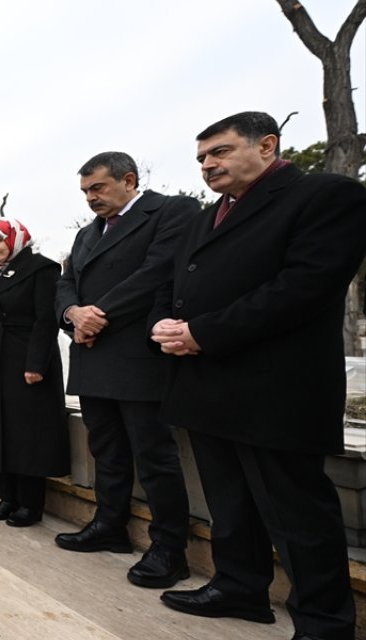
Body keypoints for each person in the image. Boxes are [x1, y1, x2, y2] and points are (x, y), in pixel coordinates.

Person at [151, 112, 366, 640]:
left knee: (296, 514)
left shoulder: (325, 196)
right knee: (229, 503)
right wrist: (165, 322)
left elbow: (303, 288)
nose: (208, 165)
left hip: (275, 389)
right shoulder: (209, 216)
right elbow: (178, 280)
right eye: (202, 157)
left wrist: (205, 332)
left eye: (219, 152)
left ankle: (324, 622)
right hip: (206, 384)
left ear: (267, 145)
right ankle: (240, 587)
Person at [55, 151, 195, 589]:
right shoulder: (86, 235)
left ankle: (170, 548)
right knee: (107, 451)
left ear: (128, 179)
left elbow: (157, 272)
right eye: (85, 192)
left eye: (98, 188)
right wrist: (74, 314)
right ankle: (109, 525)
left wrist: (99, 314)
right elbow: (65, 281)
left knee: (154, 456)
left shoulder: (170, 211)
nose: (91, 199)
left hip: (138, 354)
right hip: (91, 352)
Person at [0, 218, 69, 528]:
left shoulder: (41, 269)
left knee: (26, 431)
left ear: (16, 239)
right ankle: (6, 496)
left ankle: (30, 503)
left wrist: (36, 364)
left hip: (25, 360)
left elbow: (46, 320)